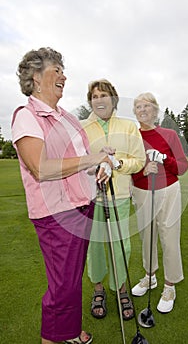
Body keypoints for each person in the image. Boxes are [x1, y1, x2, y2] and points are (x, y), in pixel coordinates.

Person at [11, 47, 113, 344]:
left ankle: (70, 332)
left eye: (62, 70)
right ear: (35, 76)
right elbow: (40, 167)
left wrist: (99, 164)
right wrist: (90, 161)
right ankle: (55, 337)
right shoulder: (26, 116)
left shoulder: (67, 117)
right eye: (56, 70)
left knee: (71, 280)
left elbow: (80, 158)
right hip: (55, 213)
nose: (63, 76)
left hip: (82, 205)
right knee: (62, 286)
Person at [80, 79, 146, 321]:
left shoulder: (128, 127)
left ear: (113, 99)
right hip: (90, 197)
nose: (99, 99)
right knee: (95, 245)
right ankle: (98, 288)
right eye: (95, 96)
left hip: (118, 195)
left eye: (104, 95)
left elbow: (138, 161)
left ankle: (120, 288)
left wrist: (115, 163)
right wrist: (94, 163)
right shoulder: (82, 127)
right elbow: (76, 161)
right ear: (90, 101)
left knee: (121, 245)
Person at [131, 92, 188, 313]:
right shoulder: (132, 137)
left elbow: (182, 168)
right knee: (147, 238)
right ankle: (150, 276)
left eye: (147, 106)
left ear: (155, 110)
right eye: (138, 107)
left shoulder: (169, 134)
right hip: (142, 191)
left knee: (169, 236)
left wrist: (165, 159)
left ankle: (170, 285)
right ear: (135, 112)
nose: (143, 110)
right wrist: (143, 170)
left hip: (169, 190)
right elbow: (130, 171)